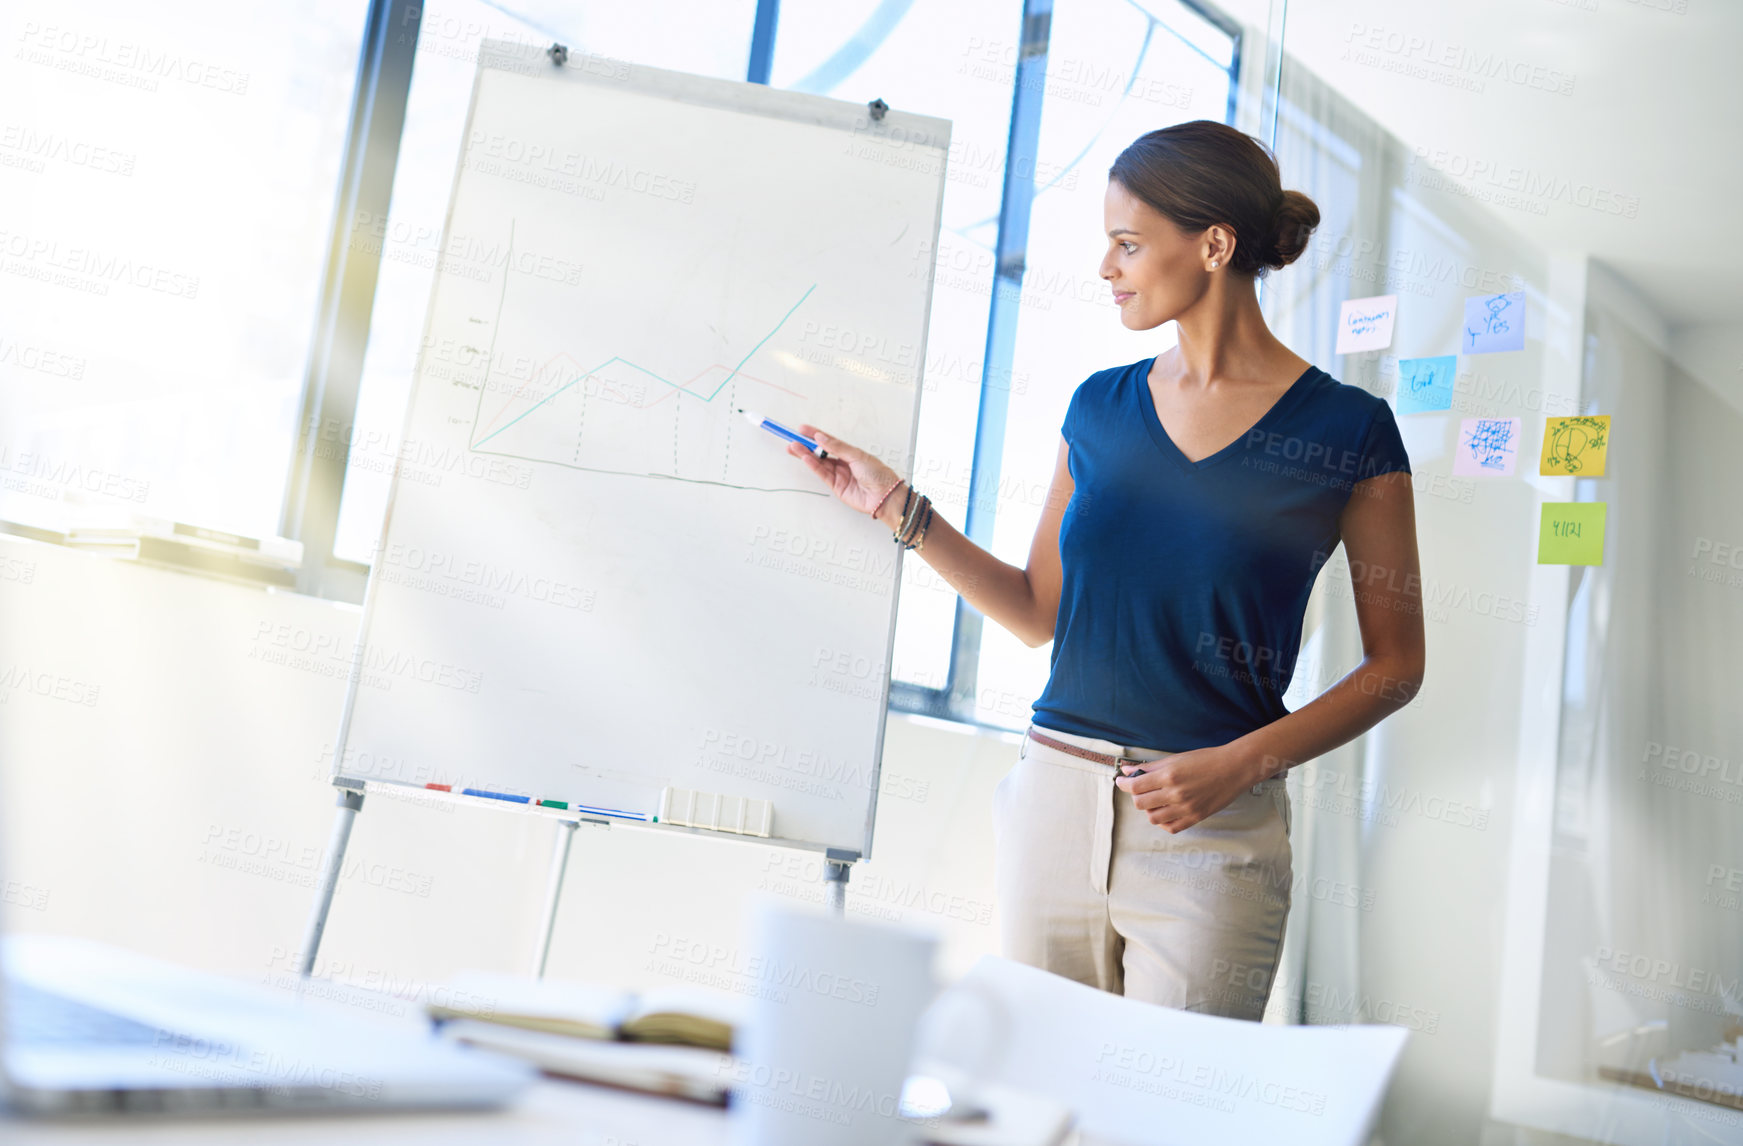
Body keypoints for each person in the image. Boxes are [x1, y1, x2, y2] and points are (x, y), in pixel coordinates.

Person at [785, 120, 1425, 1020]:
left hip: (1210, 826)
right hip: (1053, 793)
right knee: (1041, 1094)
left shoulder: (1350, 431)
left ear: (1213, 245)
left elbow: (1396, 667)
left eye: (1127, 244)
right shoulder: (1098, 406)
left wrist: (1240, 764)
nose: (1105, 268)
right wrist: (898, 507)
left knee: (1168, 1105)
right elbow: (1038, 609)